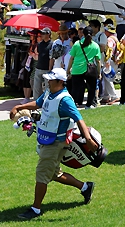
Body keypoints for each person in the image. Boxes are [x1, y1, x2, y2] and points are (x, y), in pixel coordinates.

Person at [10, 68, 97, 220]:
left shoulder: (65, 100)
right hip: (47, 139)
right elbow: (38, 103)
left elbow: (79, 118)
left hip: (55, 143)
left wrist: (89, 140)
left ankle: (35, 209)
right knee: (54, 173)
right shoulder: (50, 92)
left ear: (60, 82)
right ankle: (85, 187)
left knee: (42, 175)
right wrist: (20, 107)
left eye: (51, 79)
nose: (48, 82)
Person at [67, 27, 101, 109]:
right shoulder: (95, 45)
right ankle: (89, 104)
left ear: (83, 34)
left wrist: (68, 70)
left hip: (77, 68)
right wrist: (99, 73)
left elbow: (71, 58)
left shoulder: (77, 44)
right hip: (90, 69)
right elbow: (98, 61)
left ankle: (73, 104)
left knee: (75, 88)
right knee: (91, 88)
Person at [33, 28, 53, 101]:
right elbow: (37, 54)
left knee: (47, 88)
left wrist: (50, 69)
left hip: (47, 69)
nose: (42, 35)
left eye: (44, 33)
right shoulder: (40, 44)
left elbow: (52, 58)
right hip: (39, 68)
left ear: (48, 34)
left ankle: (47, 102)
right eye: (42, 33)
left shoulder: (52, 44)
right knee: (36, 87)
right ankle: (35, 102)